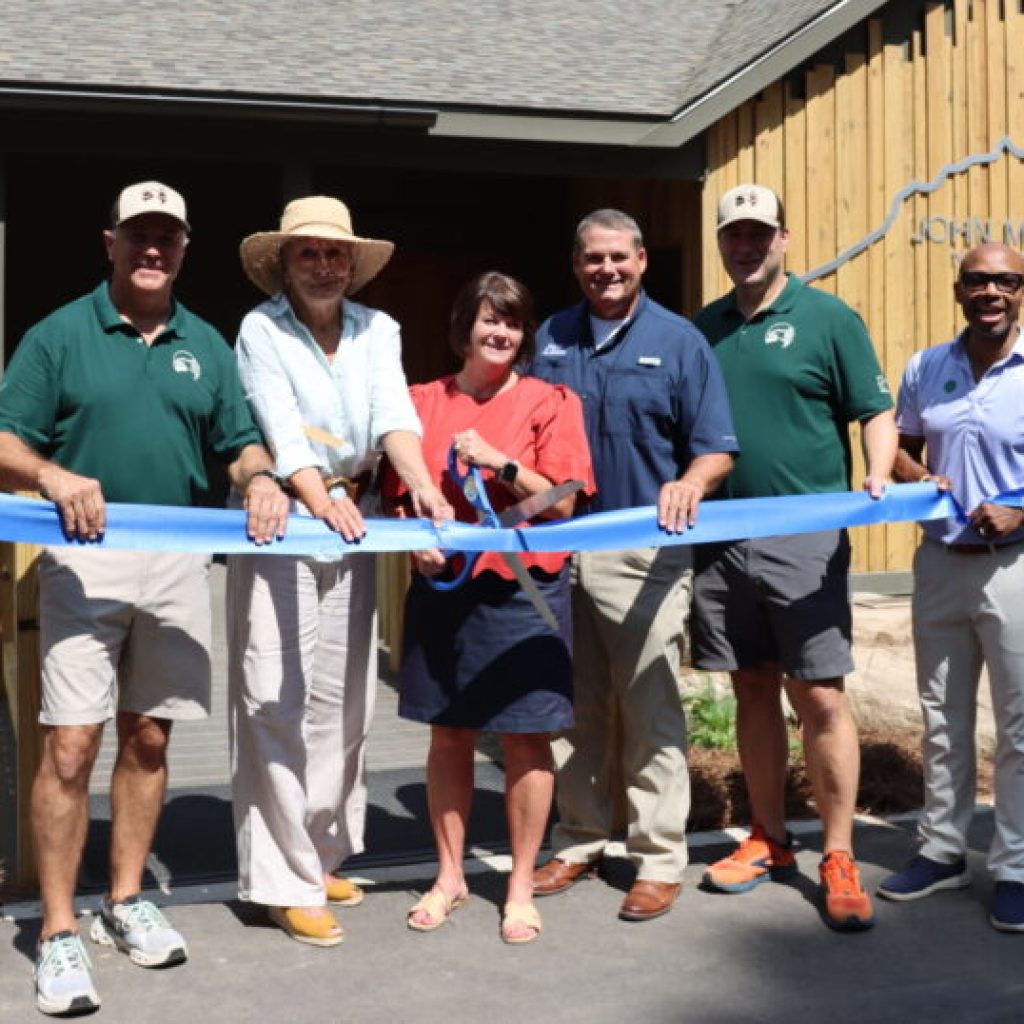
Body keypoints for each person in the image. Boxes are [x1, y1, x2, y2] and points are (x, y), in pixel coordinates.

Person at [0, 181, 290, 1016]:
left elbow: (235, 443)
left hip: (175, 563)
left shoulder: (207, 342)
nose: (152, 250)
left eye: (167, 237)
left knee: (150, 739)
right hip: (82, 560)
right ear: (111, 243)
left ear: (185, 247)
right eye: (138, 236)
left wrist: (262, 477)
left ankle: (125, 901)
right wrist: (51, 474)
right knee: (68, 749)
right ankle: (59, 932)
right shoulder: (59, 334)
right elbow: (6, 438)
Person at [227, 196, 451, 947]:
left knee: (341, 704)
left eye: (334, 254)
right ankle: (281, 881)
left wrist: (420, 482)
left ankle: (317, 856)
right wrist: (320, 501)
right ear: (284, 263)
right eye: (308, 254)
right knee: (273, 699)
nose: (324, 266)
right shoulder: (260, 328)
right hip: (286, 522)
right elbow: (282, 430)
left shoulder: (377, 328)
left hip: (353, 521)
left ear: (351, 264)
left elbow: (395, 419)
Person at [692, 184, 896, 931]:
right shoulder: (704, 327)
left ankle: (836, 853)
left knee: (820, 695)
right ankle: (769, 838)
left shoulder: (828, 318)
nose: (745, 247)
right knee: (751, 685)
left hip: (805, 536)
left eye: (758, 234)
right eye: (733, 236)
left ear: (784, 237)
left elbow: (874, 409)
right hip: (719, 535)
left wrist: (876, 473)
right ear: (721, 243)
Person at [529, 209, 737, 922]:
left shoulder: (679, 342)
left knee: (649, 705)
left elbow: (716, 446)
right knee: (575, 706)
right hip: (561, 552)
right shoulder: (549, 338)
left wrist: (692, 481)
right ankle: (580, 838)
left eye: (619, 257)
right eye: (593, 258)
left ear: (643, 259)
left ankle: (657, 856)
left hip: (645, 552)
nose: (606, 270)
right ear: (576, 263)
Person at [381, 271, 594, 944]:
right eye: (488, 321)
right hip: (447, 594)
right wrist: (415, 547)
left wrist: (499, 463)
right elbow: (395, 497)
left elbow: (563, 500)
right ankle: (449, 877)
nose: (500, 334)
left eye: (511, 323)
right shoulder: (418, 402)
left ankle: (521, 883)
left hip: (524, 589)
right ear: (463, 329)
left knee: (528, 737)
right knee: (449, 734)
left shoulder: (552, 400)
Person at [879, 242, 1024, 933]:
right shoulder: (926, 367)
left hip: (1014, 565)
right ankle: (942, 849)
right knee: (942, 716)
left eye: (1004, 280)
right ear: (958, 289)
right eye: (978, 281)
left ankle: (1017, 865)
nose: (990, 291)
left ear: (1022, 290)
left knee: (1021, 727)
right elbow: (898, 445)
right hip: (939, 562)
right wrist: (912, 473)